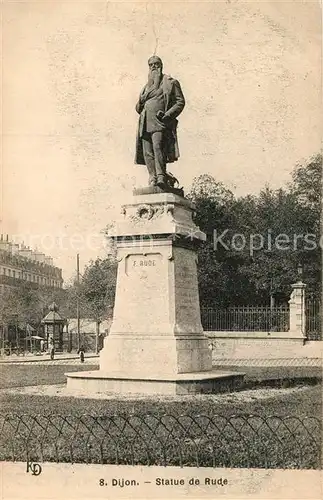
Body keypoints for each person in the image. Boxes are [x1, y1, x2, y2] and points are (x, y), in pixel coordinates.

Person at [135, 56, 185, 188]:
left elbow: (180, 102)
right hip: (145, 122)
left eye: (156, 64)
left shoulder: (170, 82)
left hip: (160, 122)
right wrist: (141, 100)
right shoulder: (146, 87)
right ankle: (152, 177)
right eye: (151, 65)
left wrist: (167, 115)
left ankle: (161, 176)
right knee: (147, 152)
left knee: (158, 148)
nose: (153, 67)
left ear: (161, 66)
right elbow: (138, 108)